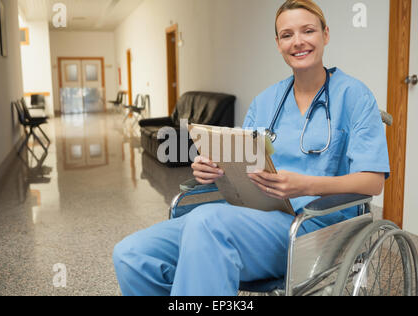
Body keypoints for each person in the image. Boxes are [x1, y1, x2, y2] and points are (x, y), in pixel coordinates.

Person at [113, 0, 390, 296]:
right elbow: (241, 165)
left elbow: (372, 182)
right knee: (132, 254)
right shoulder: (266, 101)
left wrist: (305, 185)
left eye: (308, 31)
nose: (298, 42)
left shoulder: (355, 96)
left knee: (208, 222)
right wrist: (212, 170)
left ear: (326, 34)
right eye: (287, 35)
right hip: (246, 217)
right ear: (278, 43)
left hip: (312, 225)